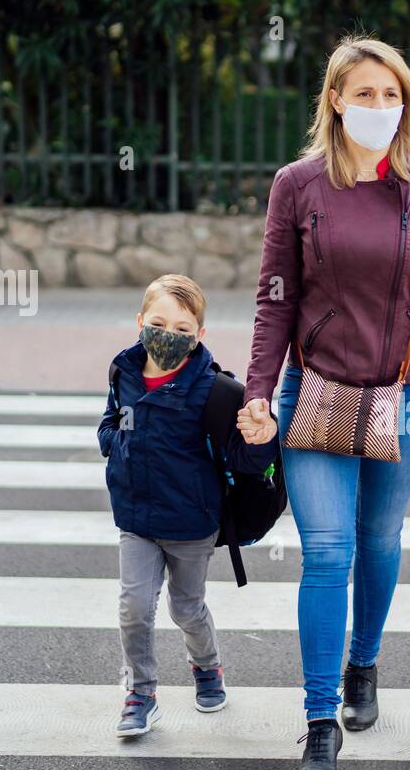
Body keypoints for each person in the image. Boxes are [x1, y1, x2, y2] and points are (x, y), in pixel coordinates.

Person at [238, 35, 410, 770]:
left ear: (406, 102)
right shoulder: (298, 185)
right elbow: (274, 295)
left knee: (379, 537)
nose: (379, 106)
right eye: (364, 93)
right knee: (328, 553)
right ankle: (318, 722)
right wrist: (256, 392)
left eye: (391, 94)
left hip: (405, 397)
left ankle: (363, 663)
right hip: (312, 393)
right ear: (335, 100)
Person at [99, 274, 278, 738]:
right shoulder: (125, 371)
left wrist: (264, 437)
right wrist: (112, 442)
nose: (169, 335)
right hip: (136, 518)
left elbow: (242, 456)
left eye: (183, 328)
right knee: (133, 607)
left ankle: (207, 667)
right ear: (140, 323)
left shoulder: (212, 390)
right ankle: (141, 694)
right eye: (158, 323)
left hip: (192, 524)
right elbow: (111, 419)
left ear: (199, 335)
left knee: (186, 608)